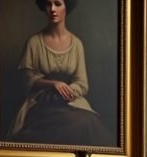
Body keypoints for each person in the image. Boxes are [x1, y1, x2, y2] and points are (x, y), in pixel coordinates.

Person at [7, 0, 113, 146]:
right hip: (41, 101)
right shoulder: (34, 42)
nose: (52, 9)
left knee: (88, 122)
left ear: (66, 7)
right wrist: (53, 84)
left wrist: (65, 91)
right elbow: (26, 79)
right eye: (48, 4)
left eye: (57, 4)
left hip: (69, 100)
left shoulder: (76, 44)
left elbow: (82, 83)